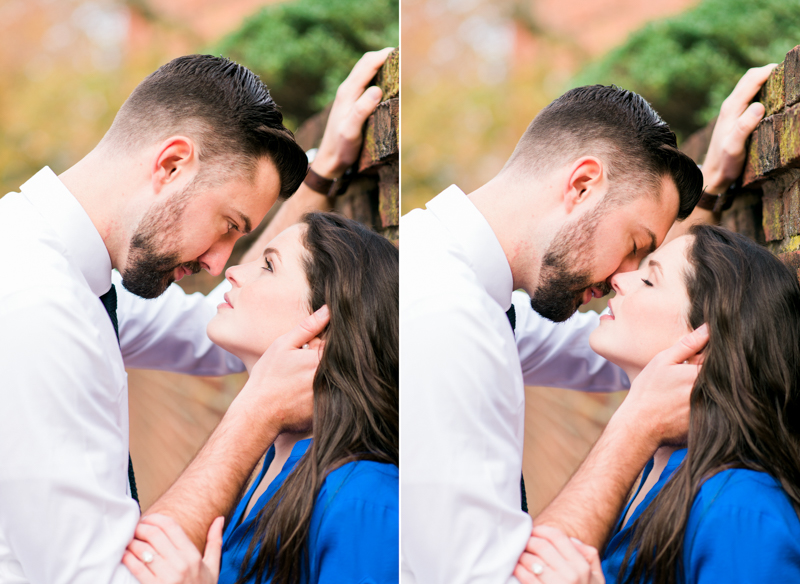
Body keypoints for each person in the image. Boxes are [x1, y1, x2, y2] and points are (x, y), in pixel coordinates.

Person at [0, 47, 393, 584]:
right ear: (172, 164)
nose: (219, 263)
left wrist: (321, 172)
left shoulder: (62, 270)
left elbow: (211, 332)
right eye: (229, 224)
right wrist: (255, 414)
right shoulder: (38, 308)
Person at [400, 60, 774, 582]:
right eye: (636, 246)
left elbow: (633, 345)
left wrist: (707, 190)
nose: (625, 276)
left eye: (645, 265)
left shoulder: (463, 288)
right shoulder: (447, 319)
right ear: (582, 185)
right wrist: (634, 428)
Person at [121, 212, 399, 584]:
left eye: (268, 265)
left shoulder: (365, 501)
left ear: (326, 327)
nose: (233, 270)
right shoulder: (269, 465)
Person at [517, 225, 800, 583]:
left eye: (650, 280)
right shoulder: (651, 472)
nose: (619, 279)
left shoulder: (741, 510)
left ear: (702, 346)